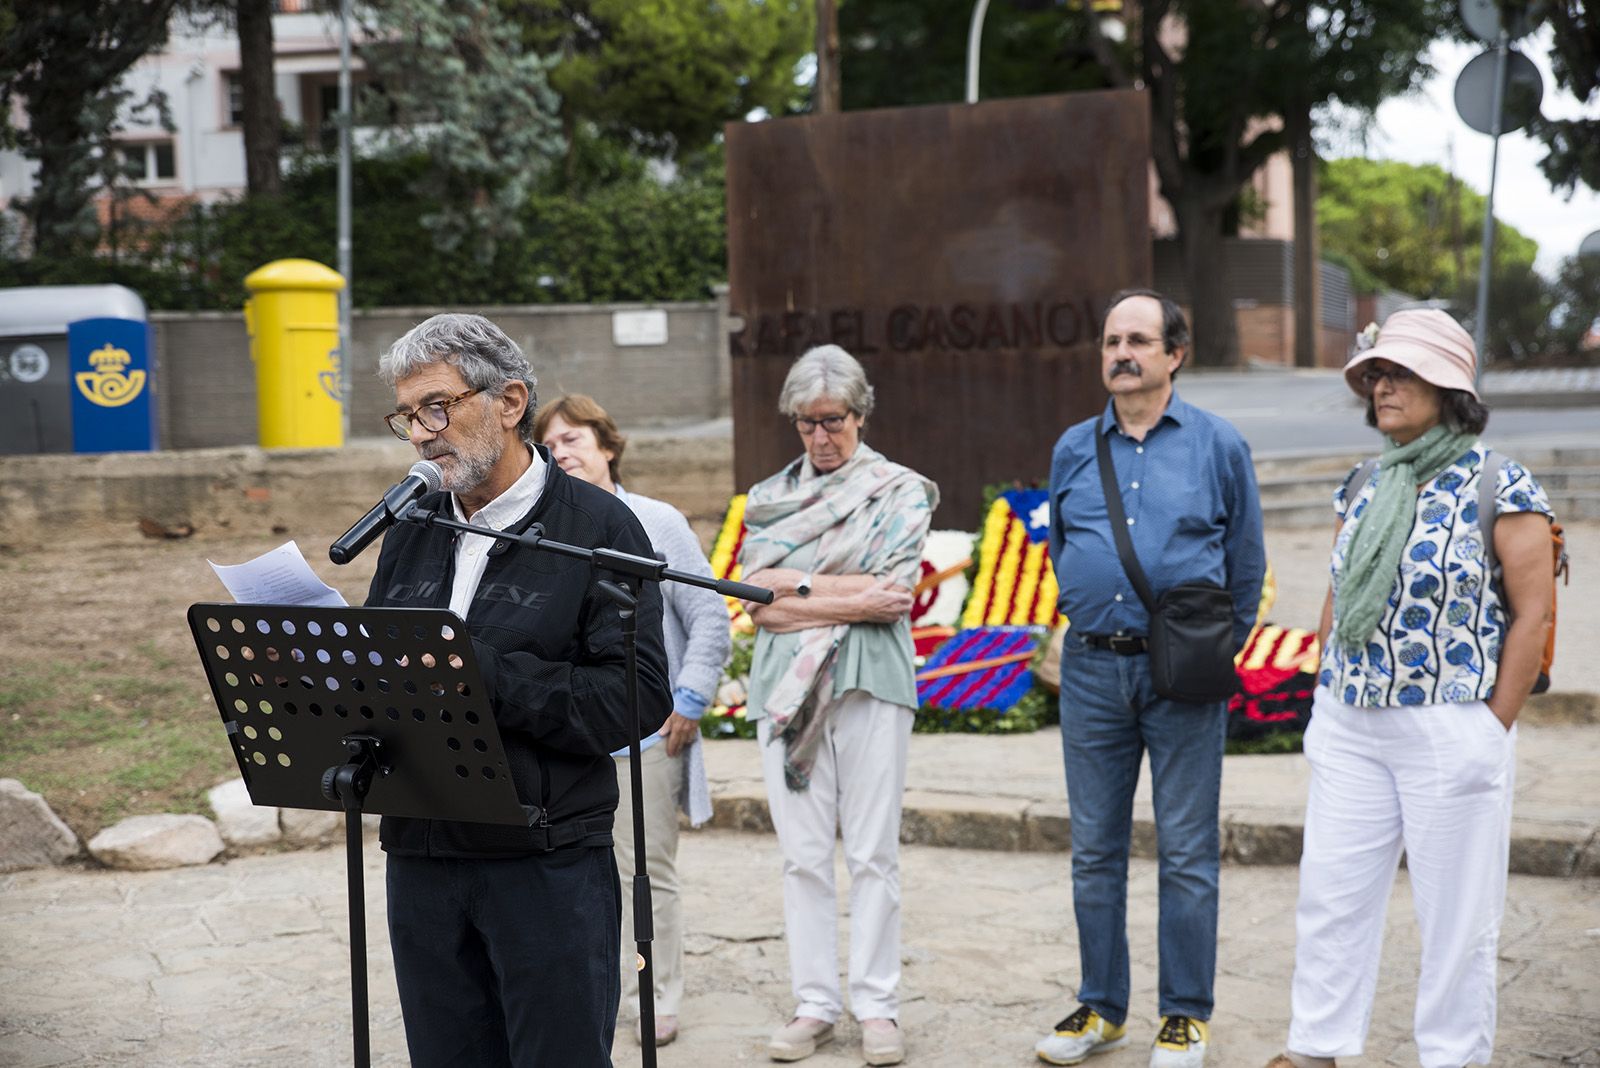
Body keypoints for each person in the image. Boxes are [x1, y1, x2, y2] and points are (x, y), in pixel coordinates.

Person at [367, 313, 672, 1067]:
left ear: (508, 402)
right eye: (407, 416)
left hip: (545, 863)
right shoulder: (412, 523)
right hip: (422, 854)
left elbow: (635, 697)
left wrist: (480, 673)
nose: (422, 433)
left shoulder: (599, 526)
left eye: (438, 406)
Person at [1263, 309, 1554, 1068]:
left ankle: (1451, 1057)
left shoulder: (1500, 482)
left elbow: (1532, 615)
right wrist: (1325, 688)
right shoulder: (1363, 482)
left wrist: (1491, 727)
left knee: (1457, 918)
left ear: (1448, 387)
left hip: (1448, 725)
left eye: (1399, 373)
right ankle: (1315, 1047)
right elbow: (1338, 589)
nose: (1382, 386)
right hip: (1353, 720)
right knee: (1331, 897)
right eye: (1376, 375)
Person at [1037, 288, 1266, 1068]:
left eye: (1137, 340)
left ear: (1175, 354)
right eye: (1110, 341)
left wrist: (1212, 648)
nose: (1120, 354)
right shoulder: (1074, 447)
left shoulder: (1217, 444)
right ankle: (1100, 1007)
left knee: (1187, 851)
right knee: (1094, 851)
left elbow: (1246, 561)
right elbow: (1064, 543)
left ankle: (1185, 1015)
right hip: (1094, 671)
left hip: (1184, 676)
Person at [736, 344, 936, 1067]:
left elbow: (895, 595)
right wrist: (839, 592)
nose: (821, 437)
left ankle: (877, 1005)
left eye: (834, 421)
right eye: (806, 423)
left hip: (872, 682)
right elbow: (758, 605)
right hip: (785, 690)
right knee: (803, 856)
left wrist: (798, 587)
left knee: (875, 851)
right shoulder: (768, 497)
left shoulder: (901, 490)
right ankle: (815, 1001)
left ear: (861, 414)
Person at [534, 393, 732, 1049]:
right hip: (571, 737)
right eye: (552, 445)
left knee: (645, 873)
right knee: (574, 876)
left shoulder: (656, 521)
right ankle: (592, 990)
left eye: (574, 439)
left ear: (608, 445)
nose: (563, 453)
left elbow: (706, 615)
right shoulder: (541, 531)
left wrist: (691, 698)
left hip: (646, 734)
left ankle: (656, 995)